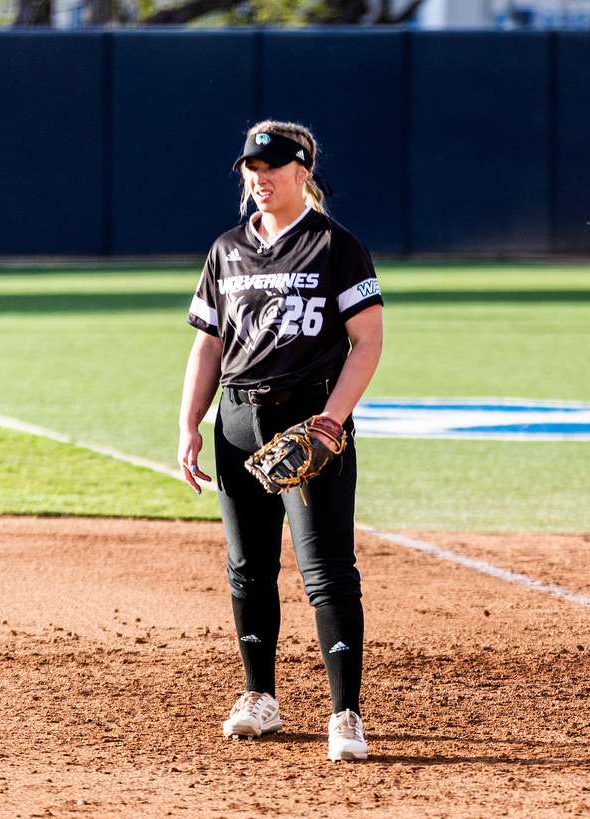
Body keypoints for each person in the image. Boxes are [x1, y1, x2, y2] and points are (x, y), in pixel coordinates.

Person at [177, 120, 384, 761]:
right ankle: (258, 697)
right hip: (237, 421)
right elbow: (208, 343)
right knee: (248, 567)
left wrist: (332, 420)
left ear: (302, 171)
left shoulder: (334, 245)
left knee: (325, 571)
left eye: (272, 166)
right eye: (251, 168)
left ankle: (345, 714)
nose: (259, 177)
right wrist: (189, 422)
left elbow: (368, 341)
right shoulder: (227, 248)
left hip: (309, 419)